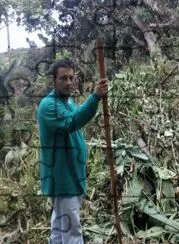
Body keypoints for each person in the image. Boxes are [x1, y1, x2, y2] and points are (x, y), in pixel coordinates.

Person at [37, 59, 108, 243]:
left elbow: (75, 131)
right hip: (62, 179)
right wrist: (95, 97)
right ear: (54, 81)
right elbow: (71, 123)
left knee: (60, 228)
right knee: (72, 231)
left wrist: (82, 164)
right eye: (63, 78)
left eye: (71, 78)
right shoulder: (48, 105)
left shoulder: (68, 102)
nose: (68, 82)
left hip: (73, 175)